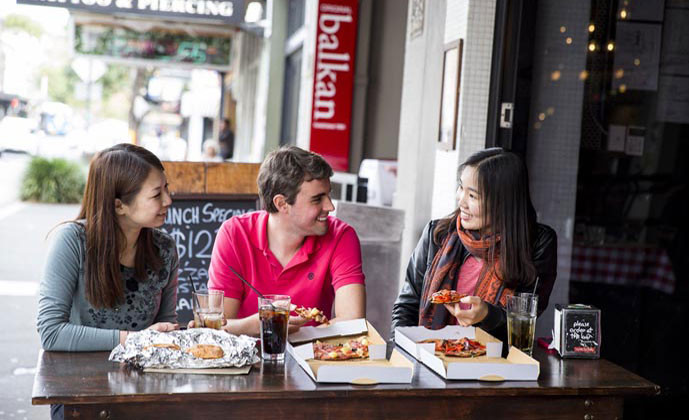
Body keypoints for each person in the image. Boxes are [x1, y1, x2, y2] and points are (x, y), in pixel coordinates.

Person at [391, 148, 557, 341]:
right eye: (461, 187)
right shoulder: (438, 234)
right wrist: (400, 352)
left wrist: (488, 315)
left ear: (502, 203)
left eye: (473, 196)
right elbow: (406, 305)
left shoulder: (538, 244)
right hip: (428, 358)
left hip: (493, 366)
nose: (460, 200)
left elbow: (523, 324)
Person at [207, 146, 366, 335]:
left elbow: (352, 321)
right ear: (282, 204)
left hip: (313, 360)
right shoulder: (234, 234)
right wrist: (262, 324)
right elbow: (216, 329)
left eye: (328, 195)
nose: (330, 206)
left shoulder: (341, 236)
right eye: (317, 199)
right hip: (245, 362)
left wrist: (288, 333)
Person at [37, 143, 179, 352]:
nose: (168, 200)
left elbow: (166, 328)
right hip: (77, 380)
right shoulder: (72, 240)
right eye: (157, 194)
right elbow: (51, 332)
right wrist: (134, 340)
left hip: (141, 380)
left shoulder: (165, 248)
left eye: (166, 188)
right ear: (118, 205)